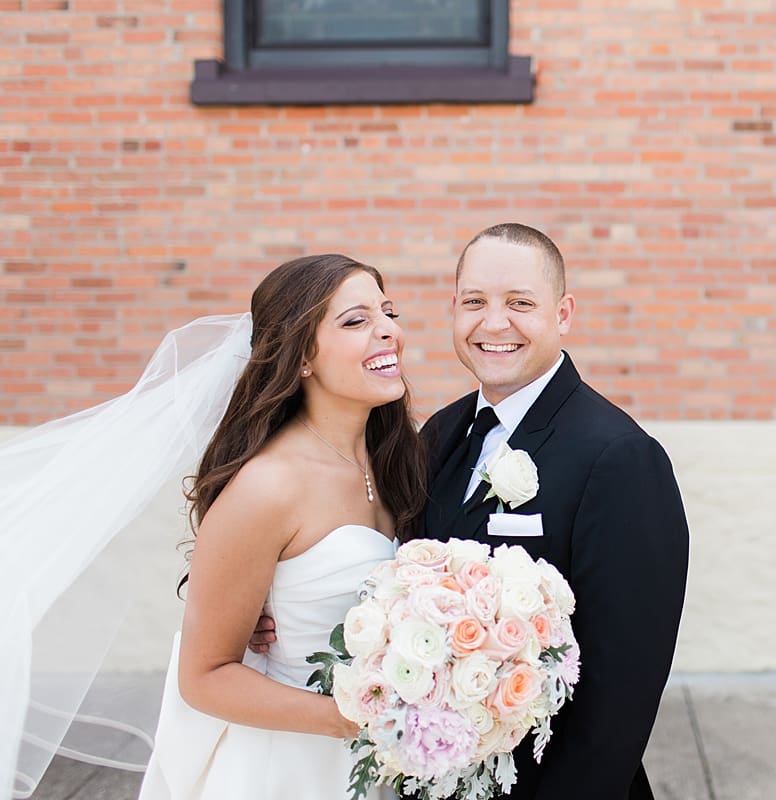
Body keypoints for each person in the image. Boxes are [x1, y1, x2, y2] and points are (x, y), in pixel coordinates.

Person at [0, 252, 426, 800]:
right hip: (293, 766)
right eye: (356, 320)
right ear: (301, 358)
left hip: (390, 765)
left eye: (388, 312)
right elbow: (204, 676)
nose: (388, 331)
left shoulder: (398, 459)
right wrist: (351, 719)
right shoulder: (268, 486)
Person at [416, 223, 689, 799]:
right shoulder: (440, 434)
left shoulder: (620, 458)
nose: (494, 323)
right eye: (475, 302)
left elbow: (620, 694)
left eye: (520, 303)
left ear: (562, 315)